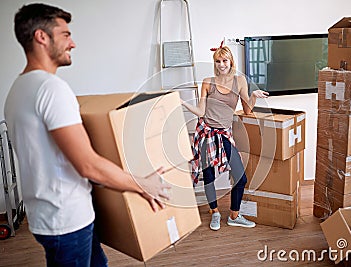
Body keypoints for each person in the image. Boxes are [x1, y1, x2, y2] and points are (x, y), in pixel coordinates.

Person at [4, 3, 170, 266]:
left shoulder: (18, 89)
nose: (73, 44)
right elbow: (87, 164)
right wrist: (142, 184)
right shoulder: (51, 89)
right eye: (66, 34)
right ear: (41, 37)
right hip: (66, 220)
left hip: (49, 216)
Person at [182, 42, 269, 231]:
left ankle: (234, 215)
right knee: (209, 176)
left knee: (240, 177)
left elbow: (247, 109)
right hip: (205, 132)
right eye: (218, 61)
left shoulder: (240, 82)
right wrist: (182, 102)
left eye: (225, 60)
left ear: (231, 61)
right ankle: (215, 212)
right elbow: (200, 111)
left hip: (224, 134)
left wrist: (253, 95)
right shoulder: (207, 82)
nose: (221, 64)